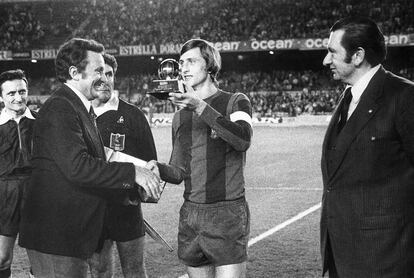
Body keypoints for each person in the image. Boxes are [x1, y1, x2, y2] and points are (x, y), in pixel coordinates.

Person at [18, 38, 161, 278]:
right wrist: (132, 173)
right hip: (57, 236)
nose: (104, 78)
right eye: (97, 71)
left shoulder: (78, 107)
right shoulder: (61, 107)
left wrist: (146, 169)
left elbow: (99, 157)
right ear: (75, 72)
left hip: (69, 233)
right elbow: (78, 167)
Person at [148, 39, 253, 278]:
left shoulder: (236, 100)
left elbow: (243, 139)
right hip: (190, 215)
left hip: (226, 212)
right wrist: (158, 168)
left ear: (210, 65)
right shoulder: (179, 117)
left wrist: (199, 106)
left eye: (192, 61)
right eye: (181, 62)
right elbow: (178, 171)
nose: (183, 68)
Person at [320, 17, 414, 277]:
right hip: (342, 254)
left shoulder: (403, 96)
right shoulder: (349, 96)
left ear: (358, 55)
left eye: (331, 52)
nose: (325, 61)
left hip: (384, 259)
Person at [88, 53, 157, 278]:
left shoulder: (133, 115)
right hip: (92, 209)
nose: (106, 79)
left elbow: (151, 165)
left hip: (127, 208)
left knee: (135, 271)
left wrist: (141, 191)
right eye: (100, 73)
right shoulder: (78, 115)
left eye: (110, 74)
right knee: (99, 270)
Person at [0, 70, 35, 278]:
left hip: (37, 192)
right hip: (5, 194)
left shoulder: (41, 122)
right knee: (2, 257)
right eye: (11, 93)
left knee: (40, 258)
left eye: (22, 91)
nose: (18, 97)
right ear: (1, 97)